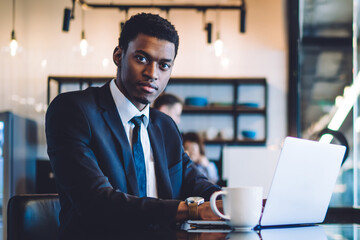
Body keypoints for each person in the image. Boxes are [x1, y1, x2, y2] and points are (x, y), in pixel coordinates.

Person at [45, 13, 222, 238]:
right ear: (118, 55)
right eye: (141, 58)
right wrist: (193, 210)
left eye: (164, 65)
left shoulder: (165, 126)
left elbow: (195, 182)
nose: (152, 74)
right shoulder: (73, 110)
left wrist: (231, 202)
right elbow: (96, 202)